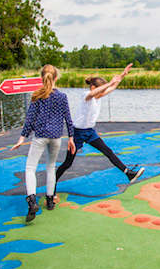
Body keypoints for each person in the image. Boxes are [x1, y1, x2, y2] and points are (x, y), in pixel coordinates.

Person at [55, 63, 144, 191]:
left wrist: (122, 75)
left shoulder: (98, 97)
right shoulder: (86, 95)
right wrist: (109, 83)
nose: (102, 92)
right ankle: (52, 186)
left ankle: (128, 173)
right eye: (100, 89)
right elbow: (96, 92)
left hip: (90, 132)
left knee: (108, 151)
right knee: (67, 163)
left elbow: (111, 88)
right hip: (77, 133)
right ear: (93, 87)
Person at [11, 64, 76, 222]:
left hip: (40, 136)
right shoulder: (62, 97)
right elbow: (68, 119)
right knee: (51, 167)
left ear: (41, 78)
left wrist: (22, 138)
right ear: (56, 78)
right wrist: (71, 138)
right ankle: (49, 200)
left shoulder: (37, 95)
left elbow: (30, 119)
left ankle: (32, 201)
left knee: (30, 168)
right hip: (56, 137)